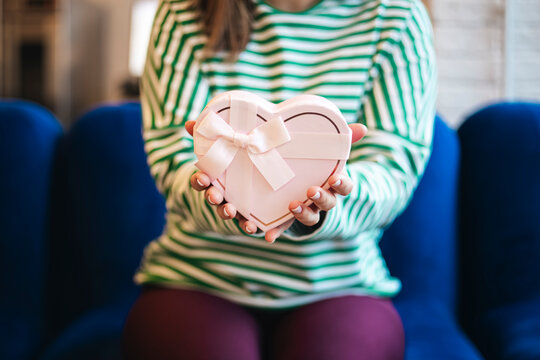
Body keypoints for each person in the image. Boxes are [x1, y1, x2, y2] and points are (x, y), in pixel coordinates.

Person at [123, 0, 437, 359]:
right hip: (197, 279)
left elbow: (393, 170)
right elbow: (173, 159)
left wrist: (325, 205)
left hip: (339, 284)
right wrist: (227, 198)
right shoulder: (184, 10)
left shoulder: (394, 14)